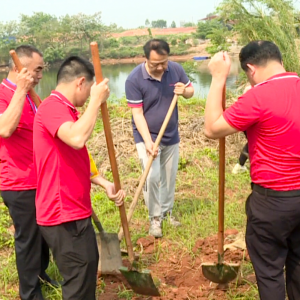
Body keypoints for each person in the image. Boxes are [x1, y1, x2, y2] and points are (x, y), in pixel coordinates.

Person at [204, 41, 300, 300]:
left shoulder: (258, 97)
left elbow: (212, 128)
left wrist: (217, 78)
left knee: (269, 273)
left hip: (272, 203)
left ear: (250, 68)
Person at [33, 56, 125, 300]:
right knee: (78, 285)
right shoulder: (53, 107)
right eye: (89, 91)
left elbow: (75, 156)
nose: (87, 99)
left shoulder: (66, 110)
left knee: (85, 275)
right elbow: (76, 139)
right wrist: (96, 101)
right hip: (63, 214)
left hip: (75, 210)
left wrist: (103, 182)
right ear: (81, 82)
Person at [0, 45, 54, 300]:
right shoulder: (4, 94)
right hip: (18, 181)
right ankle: (30, 294)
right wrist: (21, 89)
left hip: (40, 177)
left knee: (44, 234)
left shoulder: (32, 95)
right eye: (37, 70)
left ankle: (41, 274)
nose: (41, 75)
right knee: (28, 239)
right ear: (18, 69)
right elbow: (5, 129)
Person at [125, 39, 194, 238]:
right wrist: (148, 142)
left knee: (169, 176)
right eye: (156, 64)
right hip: (146, 135)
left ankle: (167, 212)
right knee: (152, 176)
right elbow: (137, 115)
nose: (161, 67)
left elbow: (190, 91)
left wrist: (185, 91)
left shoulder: (175, 69)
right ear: (146, 59)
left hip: (171, 134)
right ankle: (155, 219)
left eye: (164, 62)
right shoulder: (134, 79)